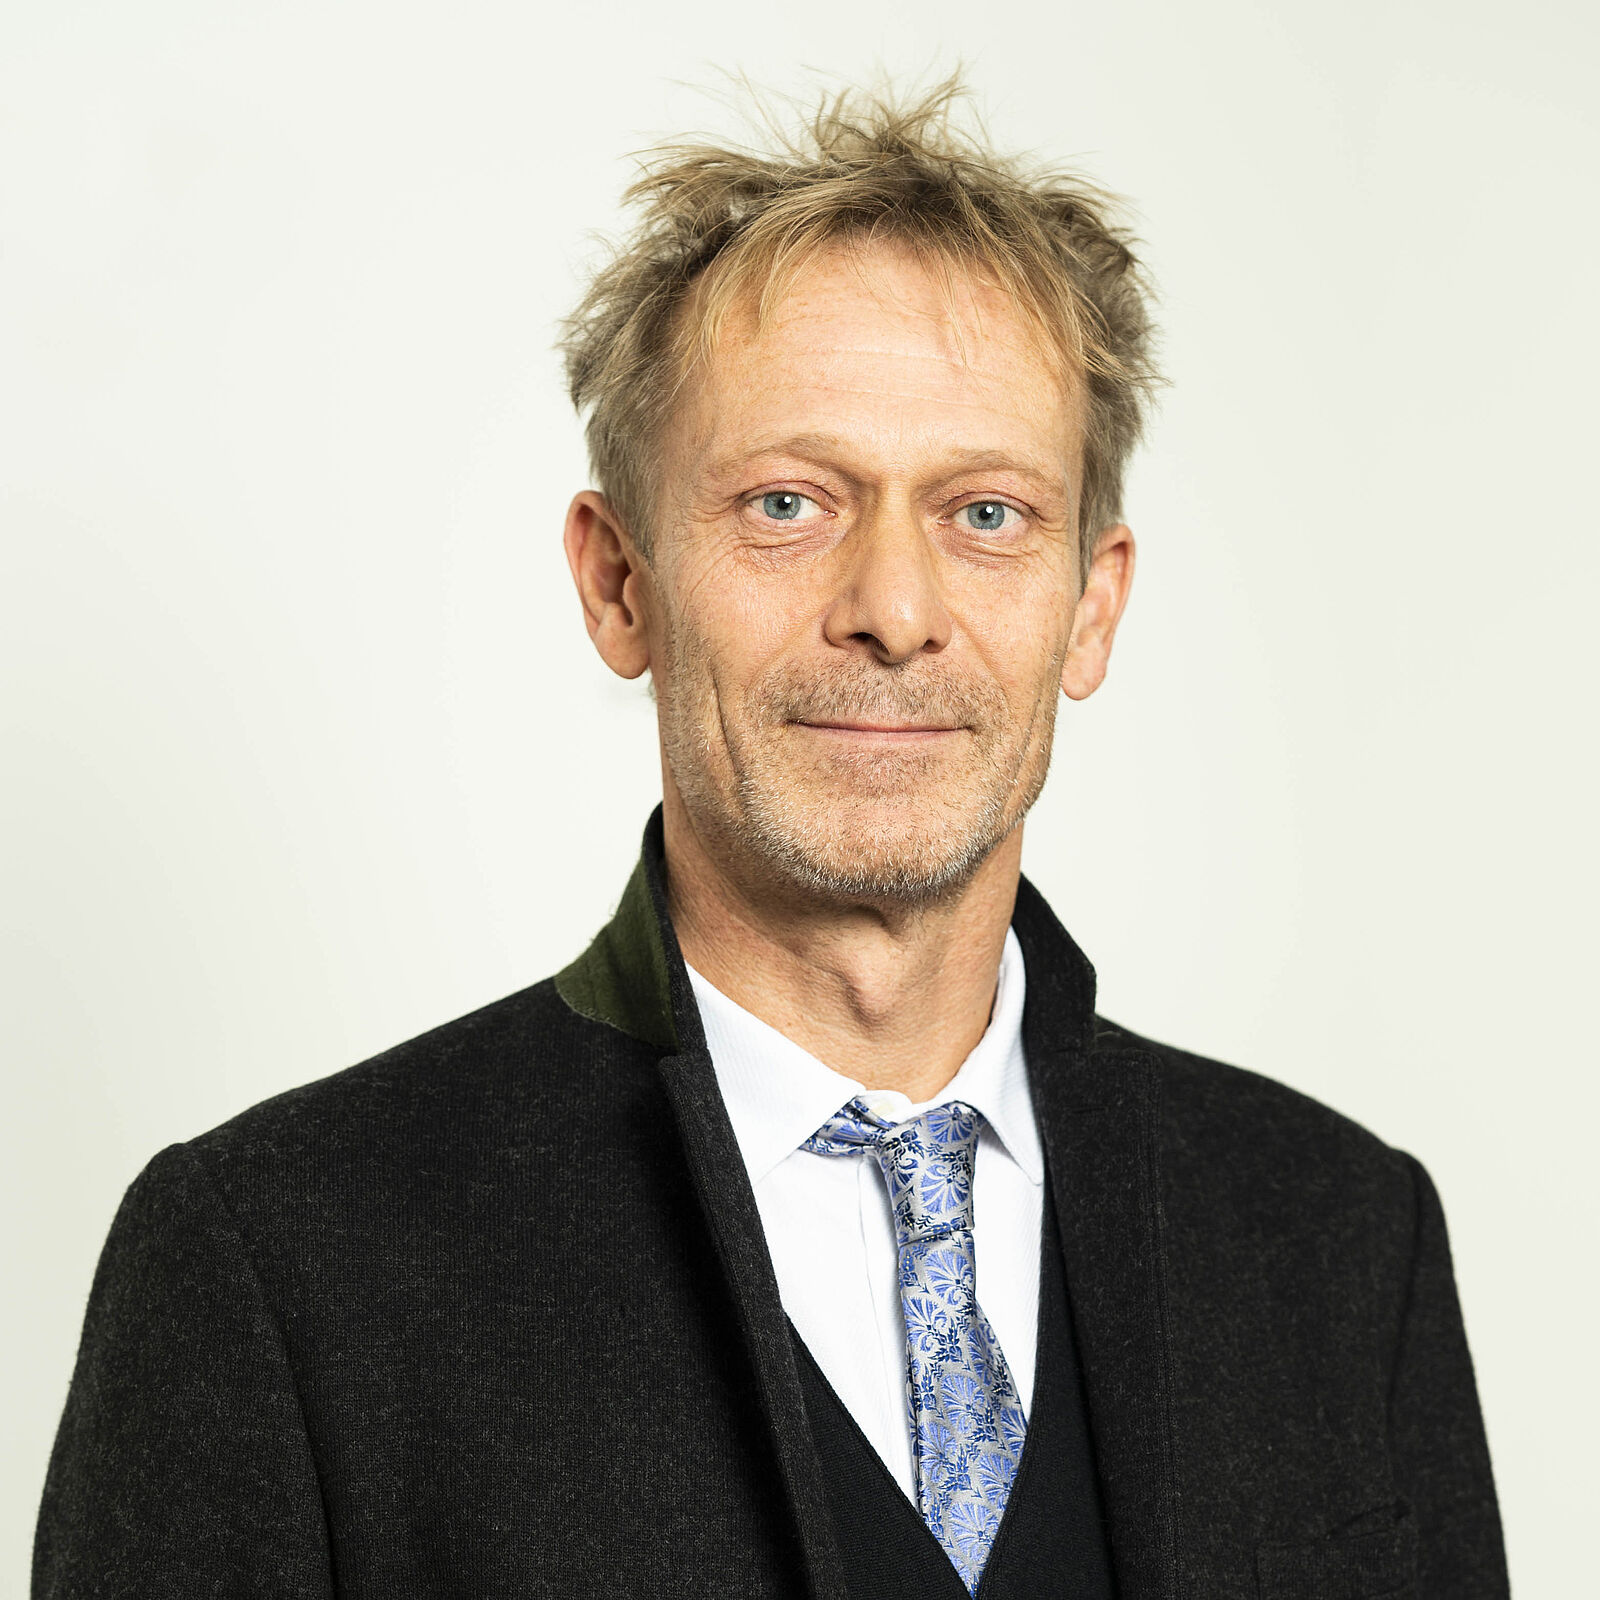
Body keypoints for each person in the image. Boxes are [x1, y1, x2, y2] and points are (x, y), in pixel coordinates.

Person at [33, 82, 1508, 1599]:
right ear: (619, 584)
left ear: (1092, 603)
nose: (896, 610)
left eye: (987, 515)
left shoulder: (1345, 1240)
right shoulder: (278, 1266)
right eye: (789, 503)